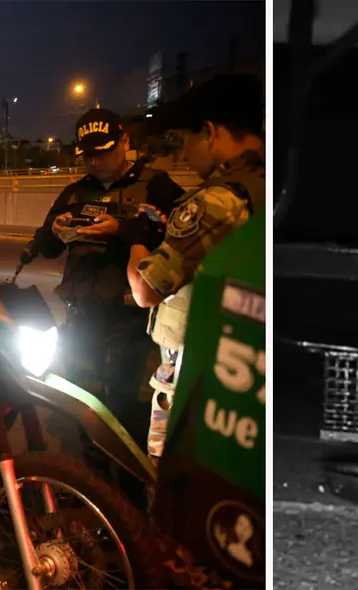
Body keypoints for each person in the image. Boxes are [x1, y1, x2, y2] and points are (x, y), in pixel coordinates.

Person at [109, 74, 266, 468]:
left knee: (169, 482)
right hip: (245, 370)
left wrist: (137, 238)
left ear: (210, 132)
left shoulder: (218, 200)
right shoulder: (267, 185)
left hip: (195, 373)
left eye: (184, 141)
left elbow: (145, 290)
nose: (183, 154)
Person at [21, 108, 185, 459]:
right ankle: (93, 480)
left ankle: (132, 486)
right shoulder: (74, 192)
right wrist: (55, 231)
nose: (94, 162)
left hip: (133, 322)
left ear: (125, 142)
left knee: (128, 407)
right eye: (87, 155)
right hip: (81, 317)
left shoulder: (156, 186)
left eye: (103, 153)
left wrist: (121, 230)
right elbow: (46, 246)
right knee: (84, 402)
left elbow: (182, 242)